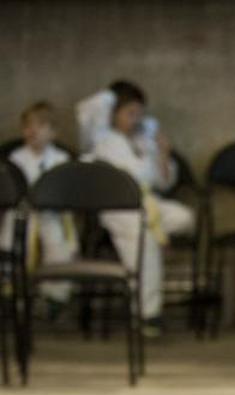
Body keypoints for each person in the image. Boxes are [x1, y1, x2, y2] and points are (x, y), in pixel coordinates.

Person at [90, 83, 194, 335]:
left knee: (184, 217)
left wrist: (163, 154)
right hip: (118, 207)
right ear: (114, 113)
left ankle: (155, 234)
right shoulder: (103, 140)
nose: (135, 119)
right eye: (130, 113)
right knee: (144, 239)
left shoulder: (144, 140)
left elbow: (162, 183)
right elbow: (136, 176)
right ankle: (148, 313)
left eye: (139, 113)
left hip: (149, 203)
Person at [4, 102, 76, 310]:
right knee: (12, 239)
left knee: (58, 244)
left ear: (53, 132)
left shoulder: (61, 159)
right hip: (22, 212)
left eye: (40, 125)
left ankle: (54, 296)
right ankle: (11, 288)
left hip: (52, 213)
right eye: (28, 126)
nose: (33, 131)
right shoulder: (15, 158)